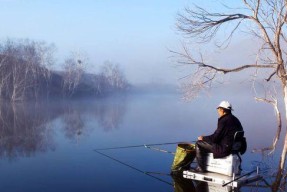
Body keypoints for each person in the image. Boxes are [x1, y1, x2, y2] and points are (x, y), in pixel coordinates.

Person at [195, 101, 244, 172]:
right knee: (206, 142)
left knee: (199, 143)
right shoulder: (235, 119)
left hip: (224, 148)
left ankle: (201, 168)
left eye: (218, 109)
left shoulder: (224, 120)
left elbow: (215, 138)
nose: (218, 111)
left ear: (222, 110)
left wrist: (203, 138)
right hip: (234, 147)